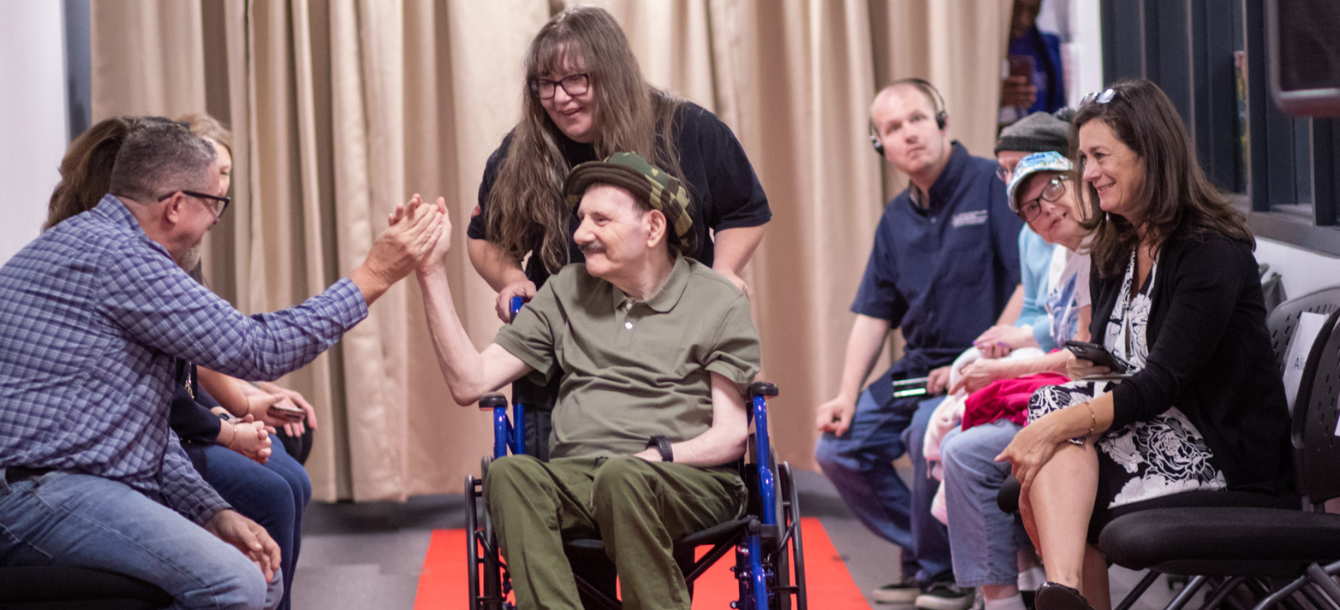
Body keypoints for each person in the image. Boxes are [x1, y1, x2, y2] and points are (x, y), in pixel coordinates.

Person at [0, 118, 443, 610]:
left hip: (55, 487)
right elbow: (260, 348)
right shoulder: (120, 257)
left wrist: (211, 511)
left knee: (259, 574)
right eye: (215, 204)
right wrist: (375, 274)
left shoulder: (100, 245)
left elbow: (142, 430)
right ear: (176, 206)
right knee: (237, 584)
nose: (216, 220)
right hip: (25, 503)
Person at [997, 79, 1293, 610]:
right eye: (1083, 157)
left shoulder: (1210, 251)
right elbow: (1112, 359)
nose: (1087, 172)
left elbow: (1161, 383)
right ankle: (1063, 593)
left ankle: (1062, 593)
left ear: (1150, 153)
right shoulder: (1119, 246)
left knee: (1059, 436)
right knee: (1055, 415)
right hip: (1154, 428)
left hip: (1224, 455)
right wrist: (1057, 408)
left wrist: (1053, 428)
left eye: (1099, 156)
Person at [417, 152, 760, 610]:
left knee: (623, 477)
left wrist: (653, 458)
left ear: (654, 228)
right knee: (508, 474)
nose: (581, 234)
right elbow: (469, 381)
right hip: (582, 475)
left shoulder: (717, 300)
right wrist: (430, 273)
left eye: (600, 219)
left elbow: (731, 437)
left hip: (690, 478)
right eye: (580, 218)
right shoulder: (566, 290)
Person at [468, 5, 770, 455]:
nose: (560, 97)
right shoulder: (521, 151)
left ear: (612, 74)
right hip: (571, 334)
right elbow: (485, 238)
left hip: (675, 333)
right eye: (545, 85)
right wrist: (513, 279)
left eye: (575, 79)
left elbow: (745, 211)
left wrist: (722, 273)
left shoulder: (689, 130)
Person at [44, 115, 318, 610]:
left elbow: (180, 381)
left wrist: (243, 410)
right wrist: (229, 425)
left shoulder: (138, 252)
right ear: (167, 200)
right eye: (210, 194)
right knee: (258, 535)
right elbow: (243, 352)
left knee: (282, 490)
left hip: (134, 451)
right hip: (85, 477)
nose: (217, 208)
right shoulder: (119, 260)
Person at [814, 78, 1025, 607]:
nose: (907, 134)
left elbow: (1028, 283)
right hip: (918, 372)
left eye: (916, 119)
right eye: (891, 128)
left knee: (918, 431)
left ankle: (941, 571)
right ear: (879, 146)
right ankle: (945, 550)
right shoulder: (894, 219)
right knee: (838, 447)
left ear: (943, 123)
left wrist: (979, 361)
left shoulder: (990, 186)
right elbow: (872, 315)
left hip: (982, 368)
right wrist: (844, 393)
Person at [934, 151, 1093, 610]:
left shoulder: (1099, 253)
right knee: (951, 427)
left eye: (1053, 190)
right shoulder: (1072, 259)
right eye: (1031, 208)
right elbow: (1077, 351)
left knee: (964, 452)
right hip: (1073, 392)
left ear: (1080, 180)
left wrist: (1003, 369)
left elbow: (1088, 359)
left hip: (1098, 407)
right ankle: (1016, 583)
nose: (1046, 209)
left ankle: (1006, 597)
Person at [980, 111, 1074, 362]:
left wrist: (1021, 337)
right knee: (967, 367)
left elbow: (1074, 319)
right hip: (1039, 341)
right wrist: (1006, 338)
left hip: (1065, 347)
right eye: (1004, 170)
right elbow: (1031, 307)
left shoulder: (1075, 234)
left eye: (1018, 167)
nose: (1011, 180)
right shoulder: (1028, 234)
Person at [999, 0, 1067, 125]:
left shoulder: (1050, 47)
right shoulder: (989, 52)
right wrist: (997, 98)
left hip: (1043, 136)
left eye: (1033, 10)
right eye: (1017, 8)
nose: (1023, 20)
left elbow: (1058, 108)